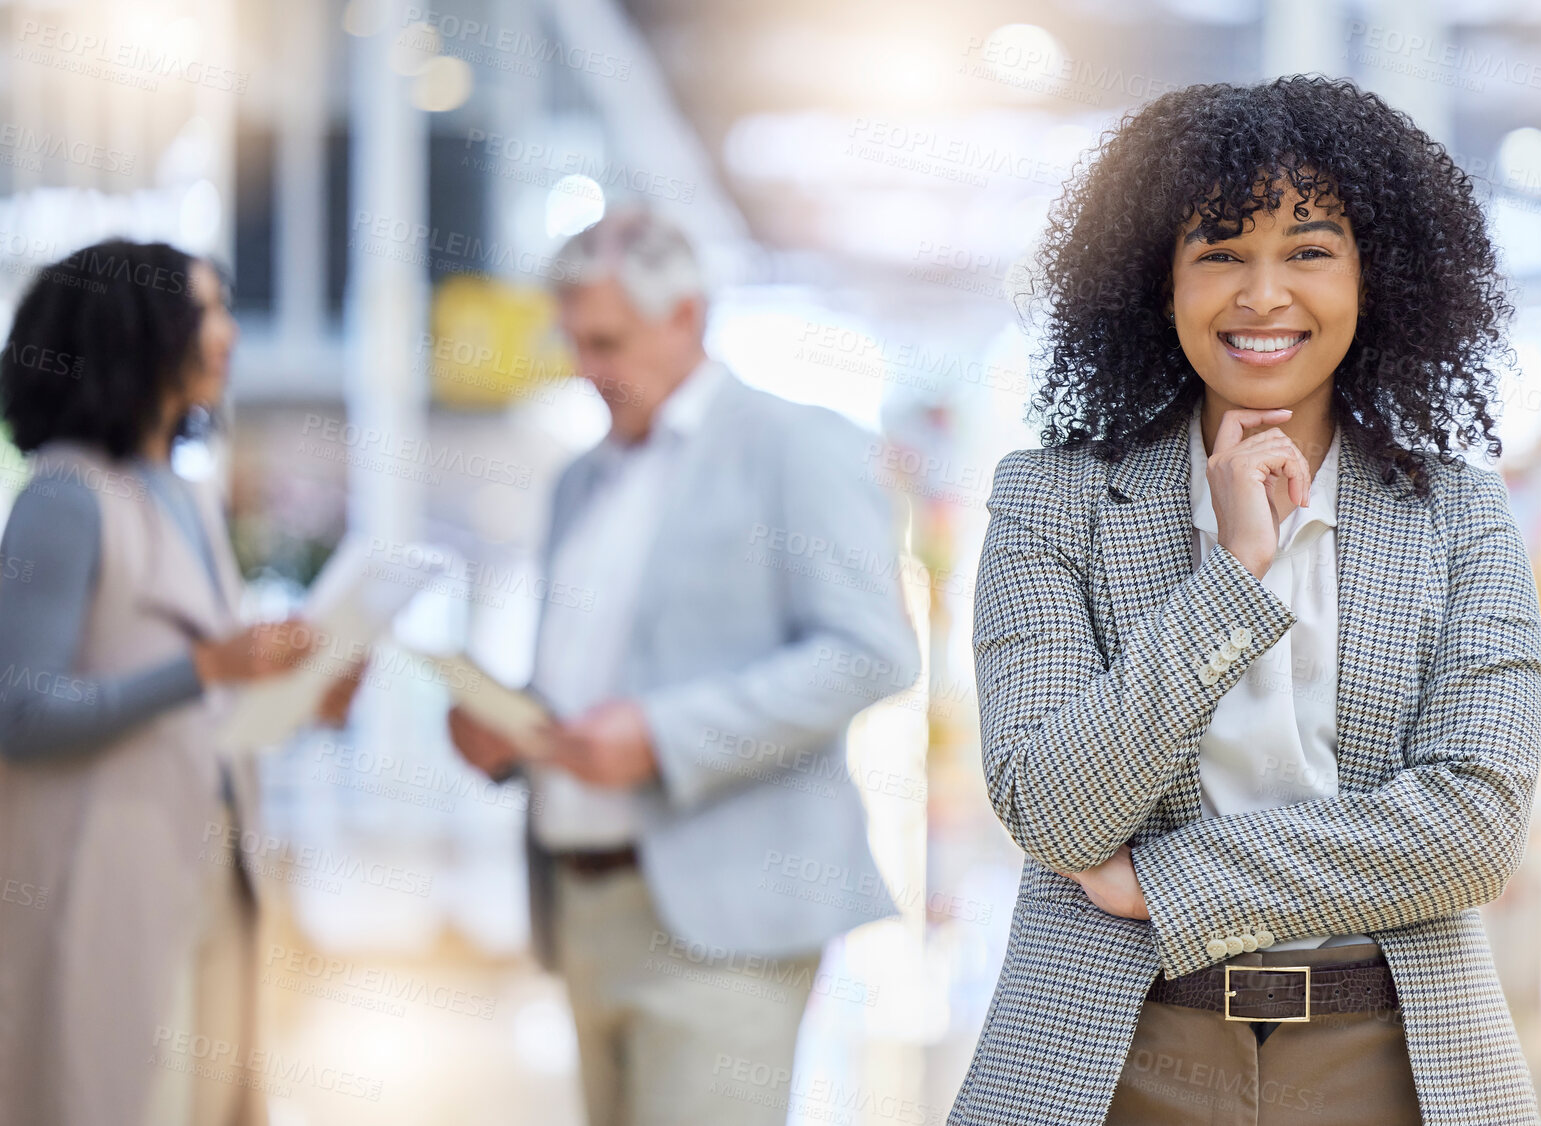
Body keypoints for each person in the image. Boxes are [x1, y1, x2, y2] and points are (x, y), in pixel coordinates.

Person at [951, 76, 1541, 1126]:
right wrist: (1232, 576)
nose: (1262, 295)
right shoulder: (1050, 500)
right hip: (1113, 1052)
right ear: (1155, 281)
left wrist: (1166, 884)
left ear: (1377, 278)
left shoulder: (1458, 514)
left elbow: (1471, 830)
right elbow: (1050, 806)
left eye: (1308, 251)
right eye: (1219, 252)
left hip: (1390, 1056)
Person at [446, 205, 922, 1126]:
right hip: (583, 904)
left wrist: (663, 738)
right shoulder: (580, 481)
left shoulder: (796, 445)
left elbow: (871, 653)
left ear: (687, 319)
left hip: (727, 915)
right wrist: (512, 730)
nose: (587, 368)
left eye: (608, 341)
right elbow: (592, 680)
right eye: (574, 342)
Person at [0, 240, 359, 1126]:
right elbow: (19, 710)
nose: (229, 336)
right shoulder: (64, 499)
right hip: (96, 881)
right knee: (108, 1093)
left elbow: (202, 705)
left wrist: (300, 696)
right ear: (135, 334)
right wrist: (205, 666)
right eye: (207, 313)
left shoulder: (187, 495)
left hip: (210, 871)